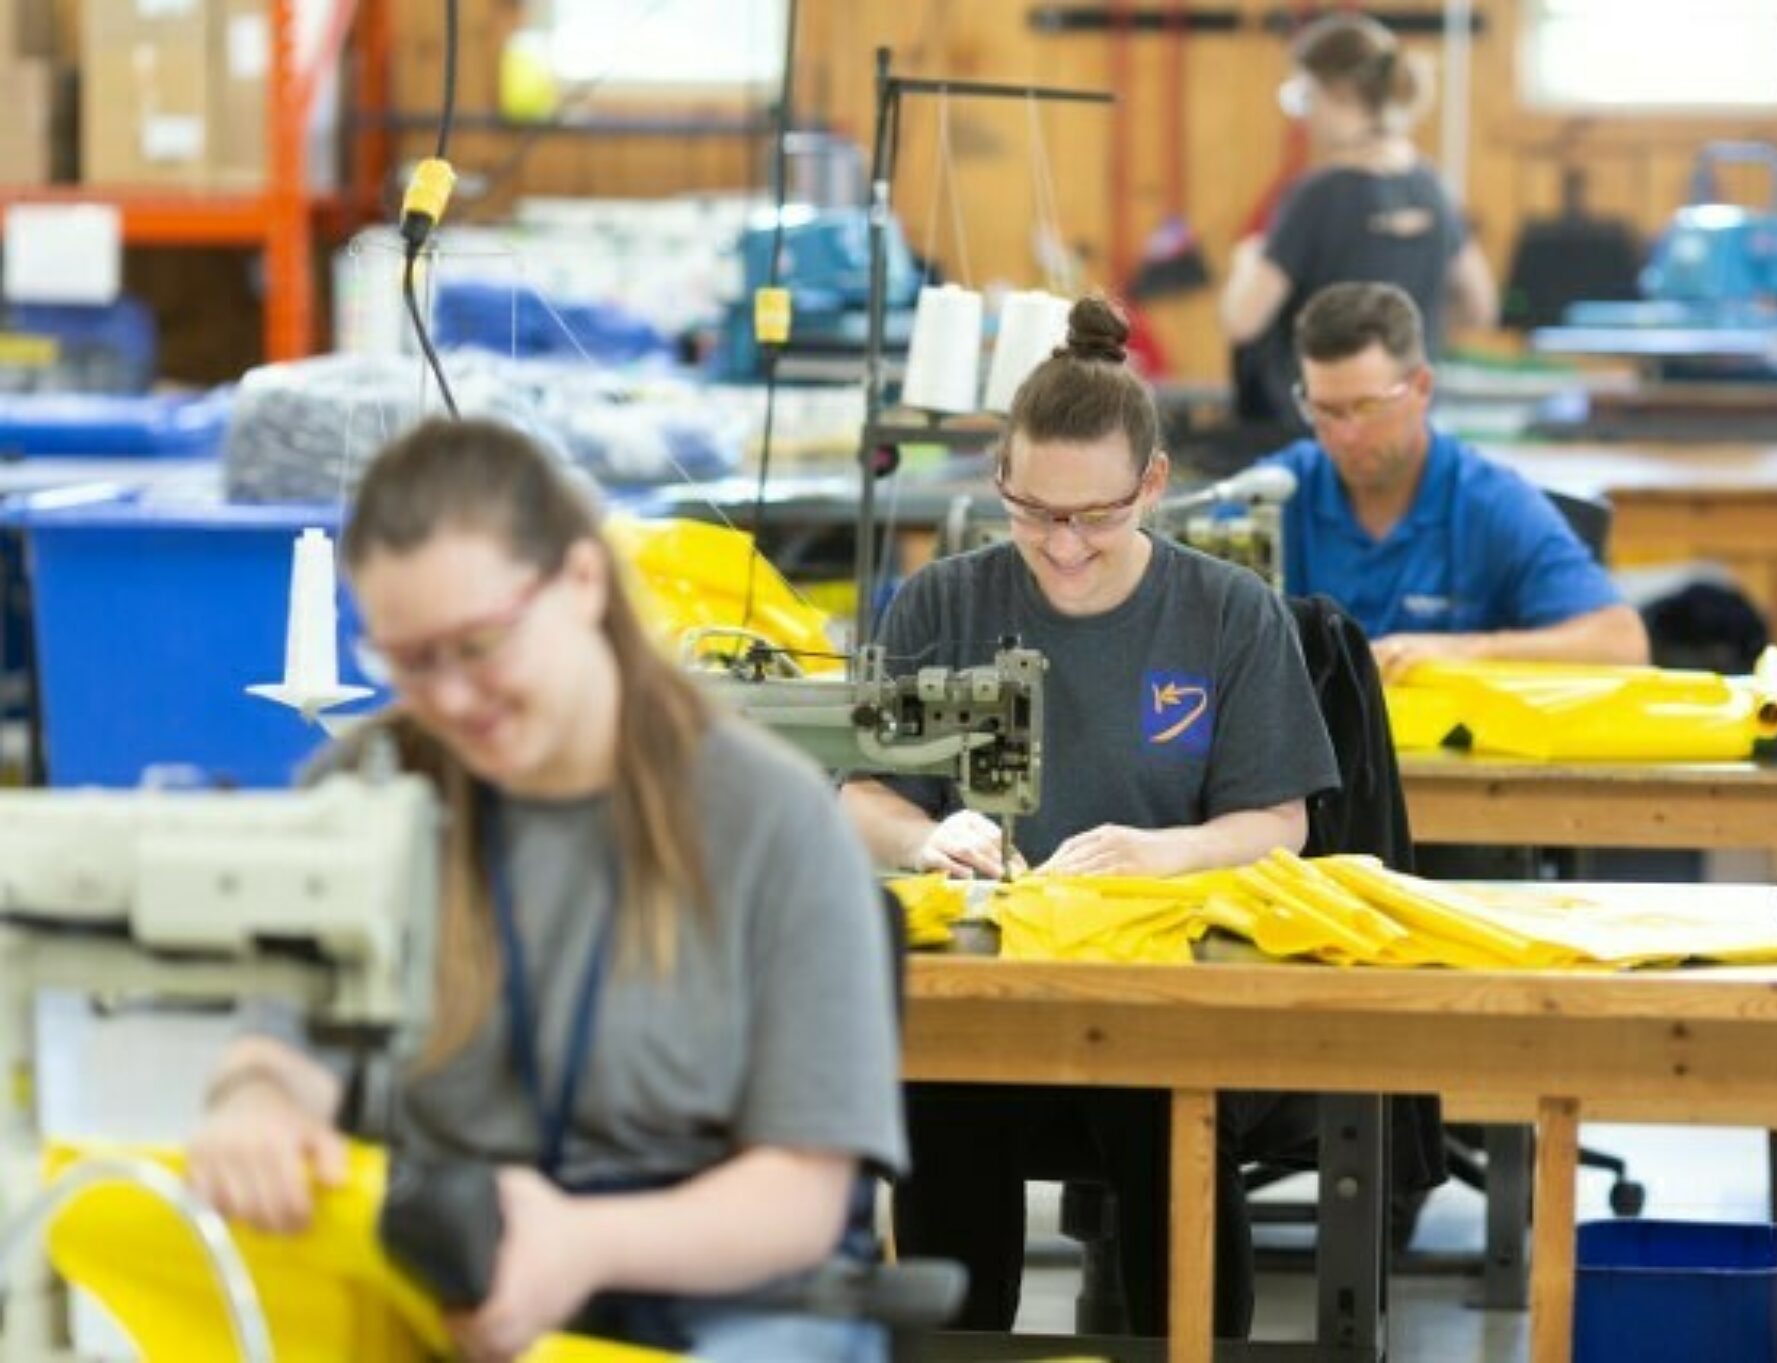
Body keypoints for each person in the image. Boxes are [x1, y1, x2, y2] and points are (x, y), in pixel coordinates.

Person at [186, 420, 905, 1363]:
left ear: (579, 583)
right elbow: (289, 1041)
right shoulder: (363, 793)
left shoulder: (773, 821)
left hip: (717, 1297)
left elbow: (801, 1200)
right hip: (448, 1268)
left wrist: (578, 1245)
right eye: (406, 659)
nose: (446, 697)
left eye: (478, 644)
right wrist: (258, 1105)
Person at [840, 295, 1339, 1337]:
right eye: (1033, 513)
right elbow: (864, 793)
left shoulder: (1228, 614)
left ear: (1152, 485)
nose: (1061, 547)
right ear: (998, 482)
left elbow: (1278, 819)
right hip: (989, 995)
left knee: (1173, 1127)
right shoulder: (942, 603)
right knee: (939, 1103)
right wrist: (925, 835)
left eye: (1094, 517)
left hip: (1165, 997)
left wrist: (1160, 851)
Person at [1261, 281, 1649, 679]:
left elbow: (1621, 641)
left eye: (1367, 407)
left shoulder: (1489, 502)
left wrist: (1468, 650)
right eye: (1325, 410)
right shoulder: (1273, 493)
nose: (1345, 434)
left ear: (1422, 387)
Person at [1220, 11, 1498, 424]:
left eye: (1305, 97)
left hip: (1322, 433)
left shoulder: (1318, 196)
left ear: (1335, 92)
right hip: (1404, 429)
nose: (1304, 116)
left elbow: (1243, 321)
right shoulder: (1431, 188)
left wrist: (1245, 261)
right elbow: (1479, 308)